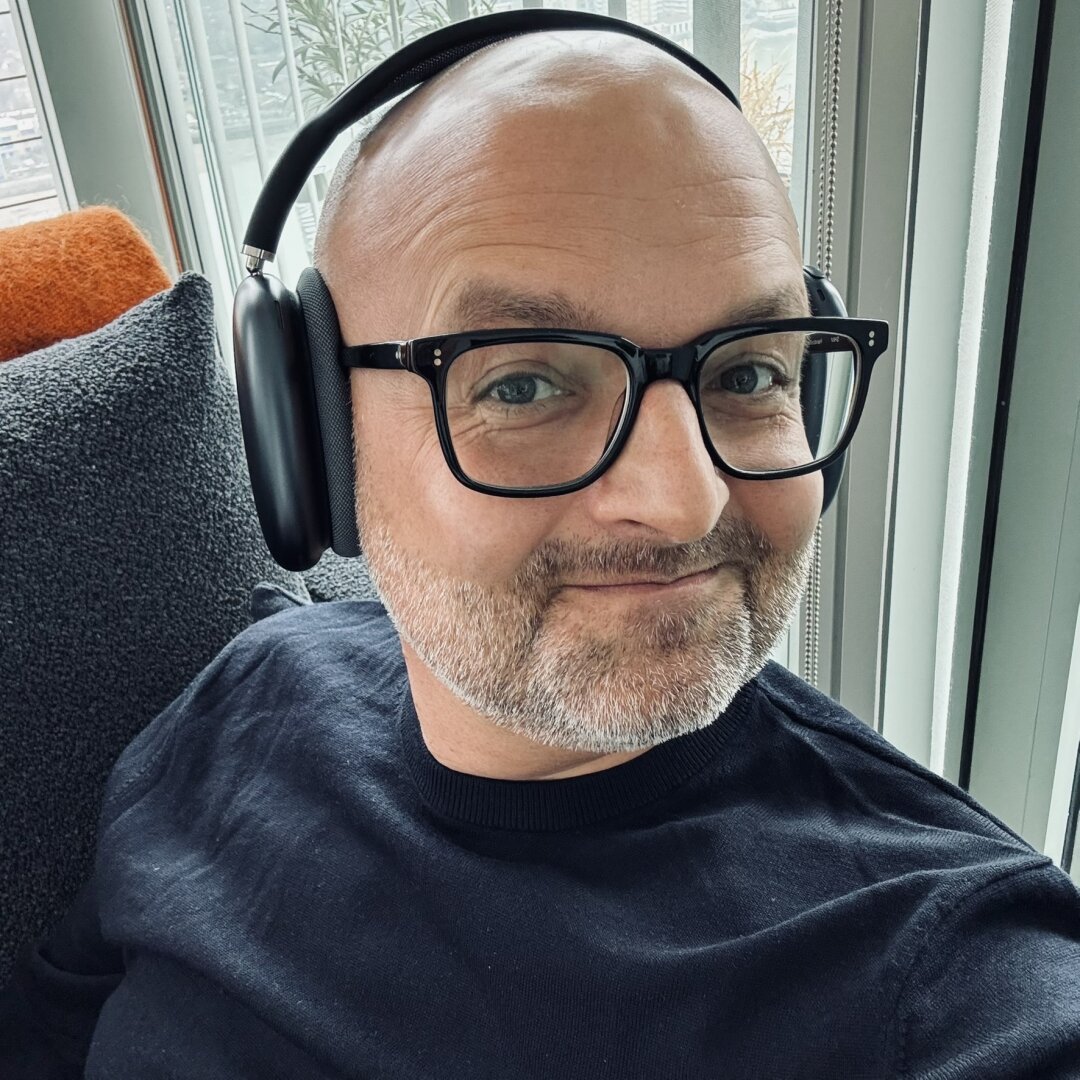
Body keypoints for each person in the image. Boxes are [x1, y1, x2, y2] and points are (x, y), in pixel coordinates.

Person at [3, 24, 1080, 1080]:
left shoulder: (950, 973)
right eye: (522, 383)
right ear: (317, 444)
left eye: (748, 372)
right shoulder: (247, 691)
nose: (684, 499)